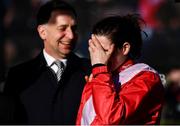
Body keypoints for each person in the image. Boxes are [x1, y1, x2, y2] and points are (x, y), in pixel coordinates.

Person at [3, 0, 91, 124]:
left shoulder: (91, 71)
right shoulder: (18, 76)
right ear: (43, 32)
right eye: (62, 28)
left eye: (74, 28)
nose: (71, 35)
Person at [76, 14, 164, 125]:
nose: (97, 56)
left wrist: (100, 71)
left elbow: (110, 118)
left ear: (124, 48)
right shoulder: (101, 75)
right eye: (95, 49)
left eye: (104, 50)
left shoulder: (146, 79)